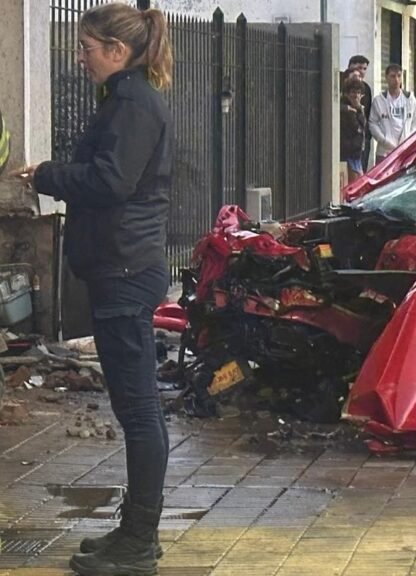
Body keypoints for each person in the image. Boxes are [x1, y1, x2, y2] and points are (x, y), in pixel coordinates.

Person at [17, 4, 172, 575]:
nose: (80, 58)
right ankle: (136, 532)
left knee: (138, 411)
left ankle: (138, 542)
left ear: (116, 50)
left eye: (86, 48)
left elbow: (111, 181)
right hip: (122, 267)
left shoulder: (132, 104)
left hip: (124, 271)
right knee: (137, 408)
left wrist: (48, 175)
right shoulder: (127, 99)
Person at [369, 64, 416, 165]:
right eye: (393, 76)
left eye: (399, 76)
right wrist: (384, 140)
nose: (396, 80)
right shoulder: (379, 100)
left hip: (406, 151)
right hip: (384, 153)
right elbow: (372, 123)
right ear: (386, 77)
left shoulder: (410, 99)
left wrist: (409, 140)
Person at [347, 55, 373, 168]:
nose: (362, 72)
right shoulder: (343, 87)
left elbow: (368, 113)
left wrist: (367, 136)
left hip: (362, 138)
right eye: (359, 68)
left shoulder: (366, 88)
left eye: (364, 69)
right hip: (347, 139)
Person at [340, 77, 367, 182]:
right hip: (348, 155)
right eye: (353, 92)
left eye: (358, 92)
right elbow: (356, 128)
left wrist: (359, 109)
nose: (356, 95)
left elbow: (364, 126)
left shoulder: (358, 108)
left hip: (356, 155)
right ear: (347, 93)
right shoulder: (345, 110)